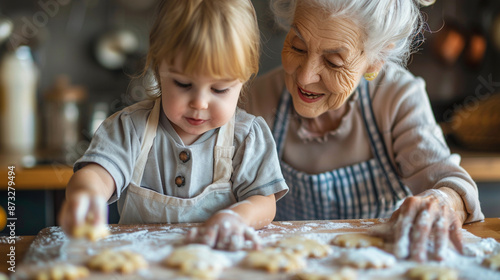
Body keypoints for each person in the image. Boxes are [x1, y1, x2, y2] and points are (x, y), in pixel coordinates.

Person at [242, 0, 484, 261]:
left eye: (334, 62)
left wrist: (441, 202)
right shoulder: (257, 99)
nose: (305, 77)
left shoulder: (395, 98)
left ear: (375, 60)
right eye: (298, 46)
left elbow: (455, 186)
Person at [58, 0, 288, 251]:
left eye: (219, 89)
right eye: (183, 84)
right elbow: (98, 175)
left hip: (218, 265)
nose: (199, 103)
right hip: (140, 265)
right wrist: (86, 194)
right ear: (158, 69)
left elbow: (264, 202)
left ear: (244, 80)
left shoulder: (247, 137)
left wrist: (237, 217)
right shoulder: (130, 129)